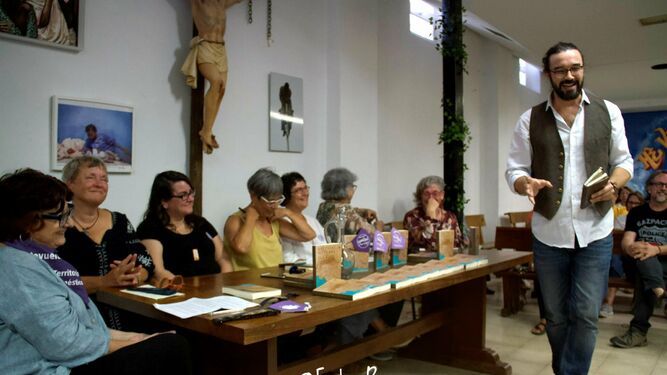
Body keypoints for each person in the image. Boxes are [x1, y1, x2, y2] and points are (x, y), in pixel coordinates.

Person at [505, 42, 633, 374]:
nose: (569, 75)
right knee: (557, 315)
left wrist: (614, 185)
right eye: (560, 69)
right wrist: (525, 184)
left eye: (575, 67)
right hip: (549, 232)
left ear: (583, 69)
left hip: (596, 232)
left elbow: (624, 161)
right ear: (548, 74)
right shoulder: (529, 119)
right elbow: (514, 169)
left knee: (587, 313)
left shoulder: (609, 112)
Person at [0, 168, 192, 374]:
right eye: (60, 217)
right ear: (30, 221)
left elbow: (87, 328)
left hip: (71, 356)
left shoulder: (38, 257)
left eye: (68, 214)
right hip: (53, 368)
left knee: (171, 341)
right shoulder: (18, 268)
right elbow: (67, 344)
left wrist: (140, 338)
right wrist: (138, 341)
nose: (70, 223)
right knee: (172, 348)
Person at [57, 156, 155, 331]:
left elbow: (146, 259)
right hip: (79, 322)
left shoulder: (120, 221)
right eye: (90, 177)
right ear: (70, 184)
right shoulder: (56, 224)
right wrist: (103, 281)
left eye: (104, 179)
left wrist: (135, 275)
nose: (99, 183)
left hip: (130, 313)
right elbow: (51, 280)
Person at [610, 170, 667, 348]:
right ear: (650, 188)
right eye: (659, 184)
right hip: (638, 263)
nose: (663, 188)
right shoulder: (637, 213)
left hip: (664, 262)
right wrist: (632, 247)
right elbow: (627, 241)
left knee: (647, 267)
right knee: (643, 257)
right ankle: (660, 292)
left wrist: (655, 249)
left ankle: (638, 332)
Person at [138, 171, 229, 282]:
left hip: (216, 292)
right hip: (180, 293)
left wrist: (224, 286)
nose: (190, 199)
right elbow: (159, 273)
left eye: (191, 193)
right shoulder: (150, 229)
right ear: (164, 202)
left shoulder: (201, 223)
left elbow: (223, 259)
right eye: (183, 195)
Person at [180, 0, 243, 154]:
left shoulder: (222, 2)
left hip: (221, 49)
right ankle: (206, 132)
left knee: (222, 89)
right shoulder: (199, 2)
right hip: (205, 46)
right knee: (216, 82)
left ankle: (207, 130)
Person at [223, 168, 316, 270]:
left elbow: (309, 235)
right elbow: (242, 248)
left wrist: (288, 212)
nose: (275, 206)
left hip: (276, 282)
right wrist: (250, 219)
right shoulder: (235, 220)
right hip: (249, 284)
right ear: (253, 196)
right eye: (270, 201)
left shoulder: (272, 220)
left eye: (278, 200)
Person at [316, 167, 383, 240]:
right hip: (341, 250)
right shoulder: (346, 211)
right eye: (352, 186)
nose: (353, 190)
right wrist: (379, 227)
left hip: (326, 250)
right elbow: (373, 235)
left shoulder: (323, 206)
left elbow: (337, 211)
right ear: (342, 189)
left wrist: (361, 211)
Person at [402, 175, 465, 253]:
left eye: (435, 193)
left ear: (442, 195)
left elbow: (458, 244)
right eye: (426, 193)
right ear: (420, 196)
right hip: (421, 262)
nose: (430, 198)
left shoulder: (450, 217)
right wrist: (430, 215)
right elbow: (428, 246)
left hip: (448, 260)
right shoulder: (411, 217)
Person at [280, 172, 326, 265]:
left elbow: (327, 249)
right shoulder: (282, 222)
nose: (305, 193)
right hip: (301, 274)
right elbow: (288, 259)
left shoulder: (313, 221)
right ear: (287, 196)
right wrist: (318, 264)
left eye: (305, 188)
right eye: (299, 190)